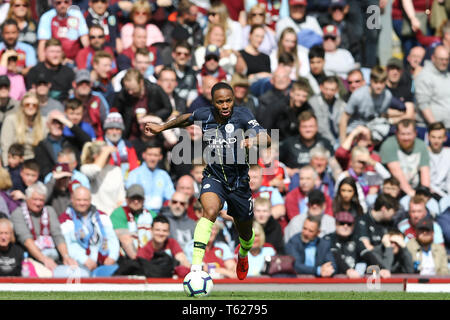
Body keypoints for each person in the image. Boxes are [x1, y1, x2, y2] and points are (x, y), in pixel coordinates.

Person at [144, 81, 271, 280]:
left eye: (229, 100)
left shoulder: (243, 114)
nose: (225, 105)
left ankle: (243, 254)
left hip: (239, 183)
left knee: (245, 233)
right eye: (220, 102)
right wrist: (162, 127)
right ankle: (195, 269)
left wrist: (253, 140)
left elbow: (267, 138)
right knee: (210, 211)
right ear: (213, 102)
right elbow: (187, 118)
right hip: (214, 176)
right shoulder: (206, 114)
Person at [10, 182, 78, 275]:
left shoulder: (49, 210)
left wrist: (66, 256)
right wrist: (44, 259)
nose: (38, 203)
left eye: (41, 200)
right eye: (35, 199)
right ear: (27, 199)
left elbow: (57, 235)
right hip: (31, 257)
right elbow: (26, 240)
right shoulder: (18, 213)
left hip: (53, 254)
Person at [59, 186, 120, 277]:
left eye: (85, 200)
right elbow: (67, 245)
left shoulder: (102, 216)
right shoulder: (65, 219)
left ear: (90, 200)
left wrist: (112, 257)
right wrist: (84, 260)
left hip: (104, 261)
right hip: (79, 264)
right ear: (72, 199)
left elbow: (112, 238)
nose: (82, 203)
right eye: (78, 200)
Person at [339, 66, 402, 142]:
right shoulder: (358, 95)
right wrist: (343, 141)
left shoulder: (387, 96)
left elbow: (382, 115)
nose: (378, 86)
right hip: (355, 128)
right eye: (376, 82)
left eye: (381, 83)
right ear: (370, 81)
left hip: (373, 127)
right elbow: (344, 119)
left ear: (386, 82)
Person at [111, 68, 172, 140]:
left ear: (141, 82)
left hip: (153, 135)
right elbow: (116, 112)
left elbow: (168, 109)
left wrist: (151, 116)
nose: (130, 92)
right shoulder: (123, 95)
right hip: (131, 135)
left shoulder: (155, 89)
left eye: (133, 89)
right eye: (128, 89)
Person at [33, 110, 92, 180]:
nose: (57, 125)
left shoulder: (71, 142)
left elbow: (87, 141)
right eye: (54, 122)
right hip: (53, 181)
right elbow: (44, 170)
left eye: (60, 123)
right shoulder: (41, 146)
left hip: (73, 179)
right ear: (47, 124)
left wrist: (68, 122)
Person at [379, 119, 430, 197]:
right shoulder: (389, 145)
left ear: (415, 133)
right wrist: (412, 194)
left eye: (409, 134)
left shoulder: (421, 145)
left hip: (415, 189)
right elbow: (397, 173)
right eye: (402, 134)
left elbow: (425, 172)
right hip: (394, 191)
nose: (406, 138)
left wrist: (424, 193)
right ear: (396, 134)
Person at [353, 193, 400, 277]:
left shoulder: (390, 224)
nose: (394, 216)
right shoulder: (362, 221)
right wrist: (383, 247)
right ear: (384, 209)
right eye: (393, 212)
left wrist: (376, 248)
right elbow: (366, 249)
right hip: (368, 269)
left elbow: (394, 248)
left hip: (386, 267)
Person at [279, 110, 334, 174]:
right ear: (299, 128)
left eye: (311, 126)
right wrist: (287, 171)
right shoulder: (288, 144)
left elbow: (334, 166)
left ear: (316, 127)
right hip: (294, 180)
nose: (308, 130)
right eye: (304, 127)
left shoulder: (325, 144)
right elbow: (274, 163)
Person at [126, 141, 174, 214]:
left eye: (155, 155)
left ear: (160, 157)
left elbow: (171, 197)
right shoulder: (134, 174)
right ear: (144, 155)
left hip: (160, 214)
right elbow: (130, 198)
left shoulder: (164, 175)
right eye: (150, 154)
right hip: (138, 213)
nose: (152, 158)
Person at [110, 184, 156, 260]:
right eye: (133, 198)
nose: (136, 201)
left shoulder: (152, 215)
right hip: (127, 258)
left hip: (150, 256)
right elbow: (125, 240)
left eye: (139, 198)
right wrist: (139, 261)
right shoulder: (119, 213)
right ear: (127, 199)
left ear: (144, 200)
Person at [80, 141, 126, 216]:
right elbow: (96, 169)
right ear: (95, 156)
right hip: (95, 215)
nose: (109, 157)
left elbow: (121, 196)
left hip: (113, 216)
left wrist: (116, 216)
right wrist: (106, 150)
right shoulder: (86, 168)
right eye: (106, 155)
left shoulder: (116, 170)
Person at [0, 92, 46, 165]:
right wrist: (6, 166)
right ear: (22, 106)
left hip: (36, 162)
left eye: (34, 105)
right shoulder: (11, 120)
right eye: (27, 104)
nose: (30, 107)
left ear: (37, 108)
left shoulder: (43, 122)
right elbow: (5, 146)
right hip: (15, 162)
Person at [415, 45, 450, 134]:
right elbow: (423, 104)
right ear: (433, 58)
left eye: (447, 59)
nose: (444, 62)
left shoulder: (447, 75)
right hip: (431, 130)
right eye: (441, 59)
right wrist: (436, 128)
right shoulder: (424, 76)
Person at [99, 112, 139, 181]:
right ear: (106, 130)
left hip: (125, 181)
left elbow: (134, 168)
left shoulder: (128, 146)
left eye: (117, 129)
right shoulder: (99, 144)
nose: (114, 132)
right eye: (111, 128)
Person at [309, 75, 346, 146]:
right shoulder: (314, 102)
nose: (329, 93)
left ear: (337, 90)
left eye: (332, 90)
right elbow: (321, 127)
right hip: (321, 140)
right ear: (321, 87)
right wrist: (334, 144)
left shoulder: (341, 104)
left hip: (340, 140)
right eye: (326, 89)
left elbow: (343, 125)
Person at [72, 69, 109, 139]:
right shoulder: (70, 100)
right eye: (80, 83)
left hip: (96, 138)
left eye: (87, 83)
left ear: (91, 84)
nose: (84, 86)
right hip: (74, 138)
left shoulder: (98, 99)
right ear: (74, 84)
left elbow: (106, 121)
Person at [255, 66, 292, 132]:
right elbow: (263, 126)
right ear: (272, 81)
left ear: (289, 80)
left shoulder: (294, 98)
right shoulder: (264, 100)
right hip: (274, 137)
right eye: (278, 77)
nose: (281, 80)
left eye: (284, 77)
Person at [385, 57, 416, 123]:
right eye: (392, 69)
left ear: (402, 72)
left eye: (398, 69)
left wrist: (390, 120)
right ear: (386, 70)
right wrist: (401, 113)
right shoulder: (381, 88)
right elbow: (378, 112)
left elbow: (410, 115)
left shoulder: (406, 87)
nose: (395, 72)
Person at [427, 122, 450, 199]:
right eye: (433, 137)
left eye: (439, 137)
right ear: (428, 137)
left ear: (445, 138)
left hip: (445, 195)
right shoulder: (422, 152)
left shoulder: (448, 153)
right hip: (427, 193)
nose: (436, 141)